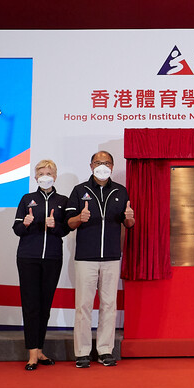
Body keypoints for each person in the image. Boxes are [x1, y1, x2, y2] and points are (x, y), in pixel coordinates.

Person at [66, 151, 134, 368]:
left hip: (112, 257)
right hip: (86, 257)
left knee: (108, 305)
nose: (102, 166)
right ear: (91, 165)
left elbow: (128, 223)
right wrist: (79, 218)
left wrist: (130, 220)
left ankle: (105, 350)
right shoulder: (79, 191)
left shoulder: (120, 191)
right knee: (83, 305)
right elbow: (69, 223)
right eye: (98, 162)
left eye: (106, 163)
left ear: (112, 167)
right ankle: (82, 352)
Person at [12, 159, 69, 371]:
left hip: (53, 258)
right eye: (41, 173)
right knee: (31, 305)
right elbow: (17, 228)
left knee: (45, 306)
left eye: (49, 173)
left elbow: (66, 230)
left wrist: (55, 226)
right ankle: (32, 354)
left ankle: (40, 349)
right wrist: (25, 224)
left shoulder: (62, 200)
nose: (45, 176)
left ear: (55, 176)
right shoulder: (27, 199)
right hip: (28, 258)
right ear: (36, 177)